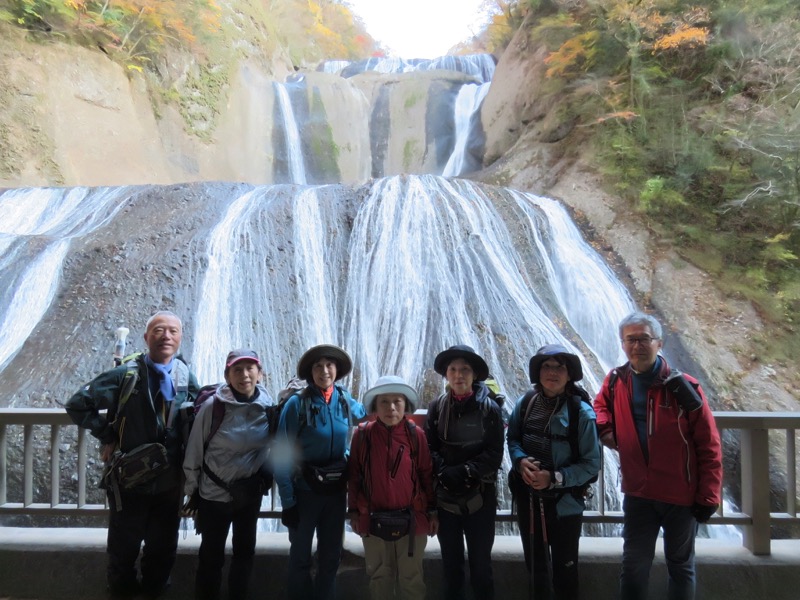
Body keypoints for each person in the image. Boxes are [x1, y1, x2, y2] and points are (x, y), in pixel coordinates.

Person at [65, 311, 199, 599]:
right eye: (159, 330)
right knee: (123, 551)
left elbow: (203, 411)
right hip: (129, 481)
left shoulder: (186, 376)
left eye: (173, 331)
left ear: (180, 338)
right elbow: (77, 404)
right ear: (146, 337)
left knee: (162, 551)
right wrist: (107, 434)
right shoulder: (126, 374)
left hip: (169, 482)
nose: (166, 336)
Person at [593, 312, 722, 600]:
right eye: (631, 339)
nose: (637, 345)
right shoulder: (615, 381)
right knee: (634, 566)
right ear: (623, 344)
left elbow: (709, 444)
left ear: (659, 343)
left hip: (680, 495)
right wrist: (605, 428)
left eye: (644, 339)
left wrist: (709, 495)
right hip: (638, 493)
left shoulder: (684, 387)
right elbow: (599, 406)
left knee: (680, 566)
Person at [506, 344, 601, 600]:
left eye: (560, 367)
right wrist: (520, 460)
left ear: (569, 374)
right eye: (546, 366)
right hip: (529, 501)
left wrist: (554, 478)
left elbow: (592, 465)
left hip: (564, 505)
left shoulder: (581, 414)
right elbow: (512, 438)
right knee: (535, 567)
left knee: (565, 571)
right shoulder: (525, 403)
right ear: (537, 372)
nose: (553, 372)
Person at [273, 344, 366, 600]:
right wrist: (288, 502)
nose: (324, 370)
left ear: (336, 369)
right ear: (310, 372)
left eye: (329, 365)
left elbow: (369, 413)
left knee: (331, 557)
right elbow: (280, 455)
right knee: (300, 558)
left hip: (336, 493)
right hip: (304, 493)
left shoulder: (345, 400)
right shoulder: (296, 405)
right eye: (318, 366)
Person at [182, 349, 274, 600]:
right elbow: (194, 451)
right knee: (211, 557)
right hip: (214, 496)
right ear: (227, 375)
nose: (244, 375)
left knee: (245, 553)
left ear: (260, 373)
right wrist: (192, 492)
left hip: (248, 495)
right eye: (237, 370)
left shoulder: (268, 407)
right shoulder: (214, 408)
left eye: (250, 368)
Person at [423, 344, 504, 600]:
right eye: (454, 369)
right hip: (446, 497)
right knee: (451, 566)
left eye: (465, 370)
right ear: (446, 374)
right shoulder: (437, 407)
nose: (459, 375)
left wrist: (465, 471)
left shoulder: (490, 408)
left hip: (480, 495)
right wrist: (444, 471)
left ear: (475, 375)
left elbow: (494, 454)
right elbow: (429, 447)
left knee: (481, 567)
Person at [347, 375, 438, 600]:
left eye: (397, 401)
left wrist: (433, 511)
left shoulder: (416, 435)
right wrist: (354, 512)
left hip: (412, 520)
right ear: (375, 406)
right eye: (384, 402)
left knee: (412, 580)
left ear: (405, 405)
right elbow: (354, 477)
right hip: (373, 519)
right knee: (379, 579)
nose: (391, 408)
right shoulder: (363, 435)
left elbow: (427, 475)